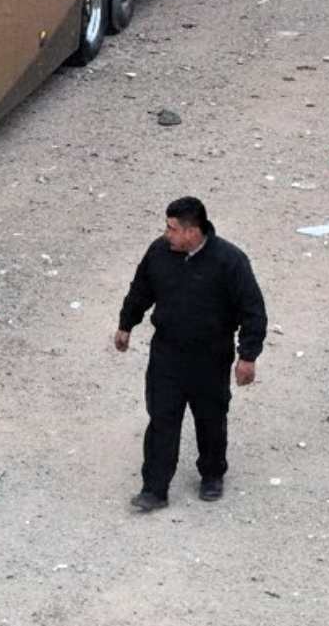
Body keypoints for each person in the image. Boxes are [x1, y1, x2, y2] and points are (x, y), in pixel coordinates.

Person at [113, 197, 268, 512]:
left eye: (172, 228)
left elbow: (253, 311)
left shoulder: (230, 261)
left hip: (210, 356)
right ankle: (154, 489)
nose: (166, 233)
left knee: (210, 417)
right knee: (161, 419)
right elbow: (141, 288)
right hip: (167, 354)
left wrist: (247, 356)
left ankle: (212, 474)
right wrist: (126, 324)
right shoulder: (160, 252)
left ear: (192, 232)